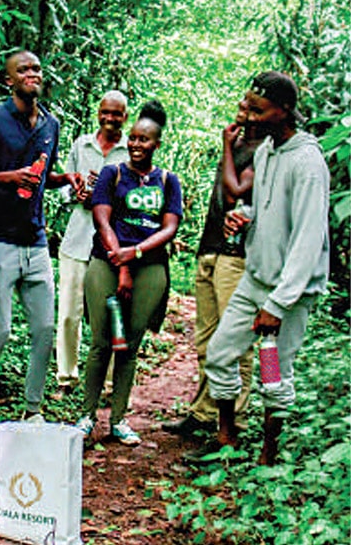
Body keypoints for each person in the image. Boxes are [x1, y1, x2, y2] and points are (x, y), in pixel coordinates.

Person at [184, 71, 329, 466]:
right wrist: (245, 217)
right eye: (246, 103)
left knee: (273, 372)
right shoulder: (265, 151)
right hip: (255, 279)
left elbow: (308, 238)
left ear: (283, 112)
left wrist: (278, 304)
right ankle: (226, 437)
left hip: (288, 293)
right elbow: (265, 208)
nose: (246, 113)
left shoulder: (307, 162)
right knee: (219, 353)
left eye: (257, 108)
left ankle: (269, 453)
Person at [0, 50, 83, 447]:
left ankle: (33, 409)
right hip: (0, 238)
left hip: (37, 239)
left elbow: (43, 175)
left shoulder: (50, 123)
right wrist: (7, 178)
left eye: (36, 69)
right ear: (8, 80)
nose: (32, 74)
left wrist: (68, 179)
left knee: (45, 328)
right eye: (23, 70)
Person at [75, 103, 183, 446]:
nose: (136, 144)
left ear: (156, 144)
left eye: (144, 140)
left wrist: (136, 253)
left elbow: (169, 228)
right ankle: (87, 415)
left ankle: (119, 419)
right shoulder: (112, 173)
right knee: (102, 342)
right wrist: (122, 263)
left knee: (130, 345)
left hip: (150, 267)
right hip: (106, 263)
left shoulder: (168, 181)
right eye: (133, 138)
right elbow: (101, 218)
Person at [162, 98, 261, 437]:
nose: (243, 106)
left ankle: (235, 422)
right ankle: (205, 413)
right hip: (212, 249)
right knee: (206, 341)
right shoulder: (238, 142)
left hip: (237, 257)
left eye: (252, 104)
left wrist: (226, 147)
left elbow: (236, 194)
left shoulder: (263, 150)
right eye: (244, 100)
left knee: (237, 345)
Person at [53, 91, 130, 398]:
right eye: (105, 113)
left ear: (125, 116)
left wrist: (105, 194)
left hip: (112, 244)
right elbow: (66, 189)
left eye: (117, 114)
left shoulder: (130, 150)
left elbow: (138, 199)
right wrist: (78, 193)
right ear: (99, 113)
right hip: (76, 239)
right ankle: (66, 378)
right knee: (69, 313)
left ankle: (109, 383)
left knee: (110, 312)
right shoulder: (81, 145)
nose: (110, 119)